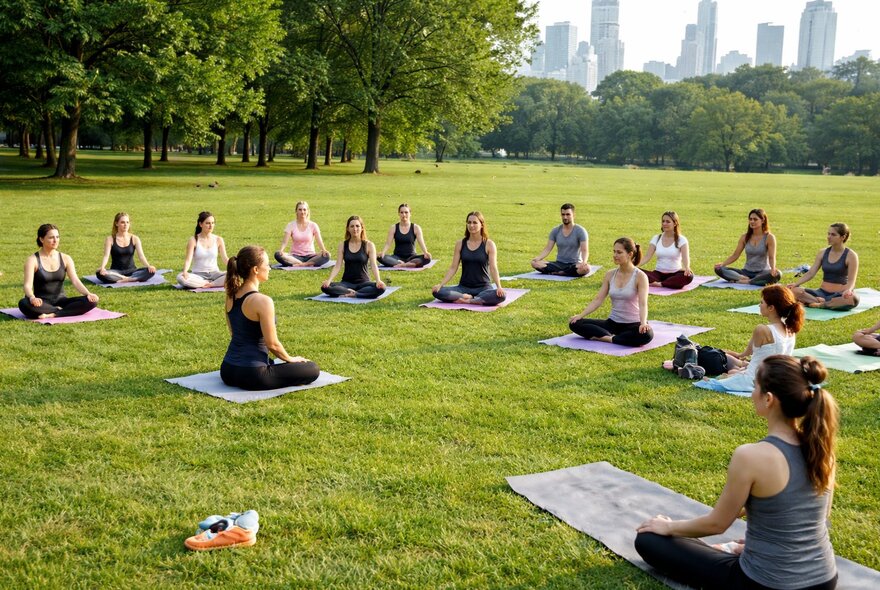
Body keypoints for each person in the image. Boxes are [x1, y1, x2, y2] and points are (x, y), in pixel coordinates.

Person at [636, 354, 839, 590]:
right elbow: (815, 513)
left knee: (649, 539)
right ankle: (739, 550)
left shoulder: (751, 456)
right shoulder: (823, 450)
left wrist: (667, 526)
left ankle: (731, 551)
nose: (753, 394)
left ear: (769, 399)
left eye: (756, 387)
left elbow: (716, 525)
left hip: (764, 584)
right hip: (825, 580)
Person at [221, 245, 320, 390]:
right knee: (312, 368)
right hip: (253, 374)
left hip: (228, 371)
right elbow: (272, 344)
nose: (269, 268)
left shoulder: (231, 296)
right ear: (255, 270)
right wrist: (291, 359)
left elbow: (233, 333)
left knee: (272, 362)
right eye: (266, 265)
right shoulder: (263, 301)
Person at [696, 285, 803, 394]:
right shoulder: (790, 329)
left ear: (771, 308)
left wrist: (734, 357)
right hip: (777, 379)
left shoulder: (762, 329)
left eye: (762, 303)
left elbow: (746, 354)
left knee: (710, 380)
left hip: (755, 379)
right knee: (733, 370)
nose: (759, 305)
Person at [568, 238, 653, 347]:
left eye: (619, 252)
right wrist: (581, 315)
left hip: (633, 324)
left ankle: (606, 338)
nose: (615, 255)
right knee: (575, 323)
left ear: (630, 254)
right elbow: (598, 299)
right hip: (612, 323)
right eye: (614, 252)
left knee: (647, 335)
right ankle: (613, 338)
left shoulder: (640, 276)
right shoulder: (610, 274)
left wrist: (643, 323)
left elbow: (643, 303)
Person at [18, 224, 99, 319]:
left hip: (62, 301)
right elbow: (27, 285)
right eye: (51, 237)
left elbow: (75, 281)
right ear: (41, 239)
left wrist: (88, 294)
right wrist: (32, 298)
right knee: (23, 303)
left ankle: (54, 313)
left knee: (92, 301)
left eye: (57, 237)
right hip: (41, 302)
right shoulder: (32, 260)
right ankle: (62, 310)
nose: (55, 240)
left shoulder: (66, 258)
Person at [432, 211, 506, 306]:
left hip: (483, 288)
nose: (471, 225)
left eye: (475, 222)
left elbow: (493, 268)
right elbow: (453, 268)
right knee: (437, 292)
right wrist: (440, 284)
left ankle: (469, 300)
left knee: (501, 296)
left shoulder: (489, 244)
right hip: (463, 288)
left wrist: (499, 286)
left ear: (482, 225)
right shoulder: (460, 244)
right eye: (469, 222)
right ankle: (473, 299)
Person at [788, 223, 859, 311]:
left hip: (839, 294)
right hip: (821, 293)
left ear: (843, 237)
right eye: (828, 234)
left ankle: (821, 304)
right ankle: (820, 302)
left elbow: (852, 280)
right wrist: (796, 284)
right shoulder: (822, 252)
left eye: (833, 234)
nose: (829, 237)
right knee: (793, 291)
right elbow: (811, 273)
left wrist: (848, 290)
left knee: (853, 300)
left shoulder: (851, 255)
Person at [321, 216, 386, 298]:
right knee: (325, 287)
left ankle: (355, 294)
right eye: (352, 226)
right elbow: (338, 266)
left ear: (362, 228)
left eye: (357, 226)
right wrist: (329, 280)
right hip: (346, 283)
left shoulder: (369, 245)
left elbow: (373, 265)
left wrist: (378, 280)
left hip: (364, 283)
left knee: (382, 288)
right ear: (348, 229)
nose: (355, 229)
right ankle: (351, 292)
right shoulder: (342, 245)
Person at [714, 209, 780, 286]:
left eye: (755, 219)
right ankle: (743, 278)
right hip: (745, 272)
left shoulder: (769, 237)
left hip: (763, 272)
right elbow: (735, 255)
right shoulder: (744, 237)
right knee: (718, 269)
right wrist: (722, 264)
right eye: (750, 219)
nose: (752, 221)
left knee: (778, 274)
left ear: (762, 221)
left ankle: (748, 281)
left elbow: (772, 257)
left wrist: (773, 268)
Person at [530, 203, 590, 276]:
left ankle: (561, 272)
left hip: (575, 264)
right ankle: (564, 272)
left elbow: (584, 250)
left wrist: (584, 262)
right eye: (563, 214)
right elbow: (548, 248)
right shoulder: (555, 230)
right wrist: (538, 258)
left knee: (586, 268)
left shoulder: (580, 231)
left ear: (573, 215)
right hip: (558, 264)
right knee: (534, 263)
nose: (565, 217)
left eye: (568, 214)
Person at [96, 212, 157, 283]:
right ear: (116, 224)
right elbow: (106, 256)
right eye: (122, 222)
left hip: (132, 271)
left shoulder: (135, 238)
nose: (125, 225)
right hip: (116, 272)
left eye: (127, 222)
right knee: (99, 273)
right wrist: (103, 267)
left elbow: (141, 256)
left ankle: (125, 279)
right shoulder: (110, 239)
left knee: (151, 271)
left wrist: (148, 266)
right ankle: (129, 279)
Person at [639, 211, 693, 289]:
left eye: (668, 222)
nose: (664, 224)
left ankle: (661, 284)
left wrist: (687, 267)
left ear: (675, 224)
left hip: (675, 274)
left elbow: (685, 258)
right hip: (657, 275)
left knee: (689, 276)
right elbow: (647, 256)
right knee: (636, 272)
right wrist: (635, 266)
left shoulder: (681, 240)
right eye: (663, 221)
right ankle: (665, 283)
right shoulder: (656, 238)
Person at [177, 211, 229, 289]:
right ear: (200, 224)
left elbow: (225, 259)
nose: (211, 226)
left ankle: (212, 284)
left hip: (215, 274)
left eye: (213, 223)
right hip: (198, 275)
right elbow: (188, 260)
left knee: (234, 275)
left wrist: (235, 268)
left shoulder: (218, 239)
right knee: (180, 277)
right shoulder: (193, 240)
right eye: (207, 223)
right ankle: (206, 283)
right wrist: (185, 271)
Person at [274, 201, 330, 267]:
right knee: (277, 254)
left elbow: (319, 241)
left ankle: (302, 264)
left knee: (327, 255)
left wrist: (324, 250)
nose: (302, 212)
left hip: (311, 256)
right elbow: (284, 242)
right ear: (296, 211)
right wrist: (281, 250)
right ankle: (306, 264)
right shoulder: (291, 225)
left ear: (307, 211)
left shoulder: (313, 225)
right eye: (300, 210)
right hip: (295, 257)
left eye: (304, 209)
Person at [378, 203, 432, 268]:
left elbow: (421, 242)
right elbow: (388, 244)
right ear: (399, 214)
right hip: (397, 258)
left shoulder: (416, 228)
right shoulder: (393, 228)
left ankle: (404, 264)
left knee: (428, 258)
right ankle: (406, 264)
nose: (404, 215)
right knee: (380, 257)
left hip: (412, 257)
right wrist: (383, 252)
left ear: (410, 214)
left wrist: (425, 252)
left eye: (406, 212)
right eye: (401, 212)